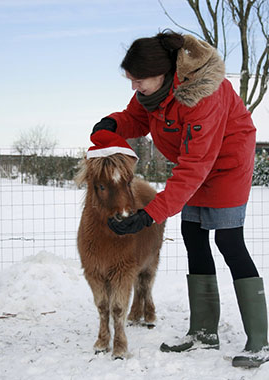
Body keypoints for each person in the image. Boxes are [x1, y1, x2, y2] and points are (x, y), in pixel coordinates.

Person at [91, 29, 268, 368]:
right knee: (193, 236)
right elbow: (138, 119)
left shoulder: (203, 95)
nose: (134, 87)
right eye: (130, 80)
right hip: (193, 163)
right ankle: (204, 332)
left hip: (226, 165)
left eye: (138, 80)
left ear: (164, 72)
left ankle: (260, 340)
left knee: (230, 242)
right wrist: (114, 122)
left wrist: (148, 214)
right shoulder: (154, 93)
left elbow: (195, 167)